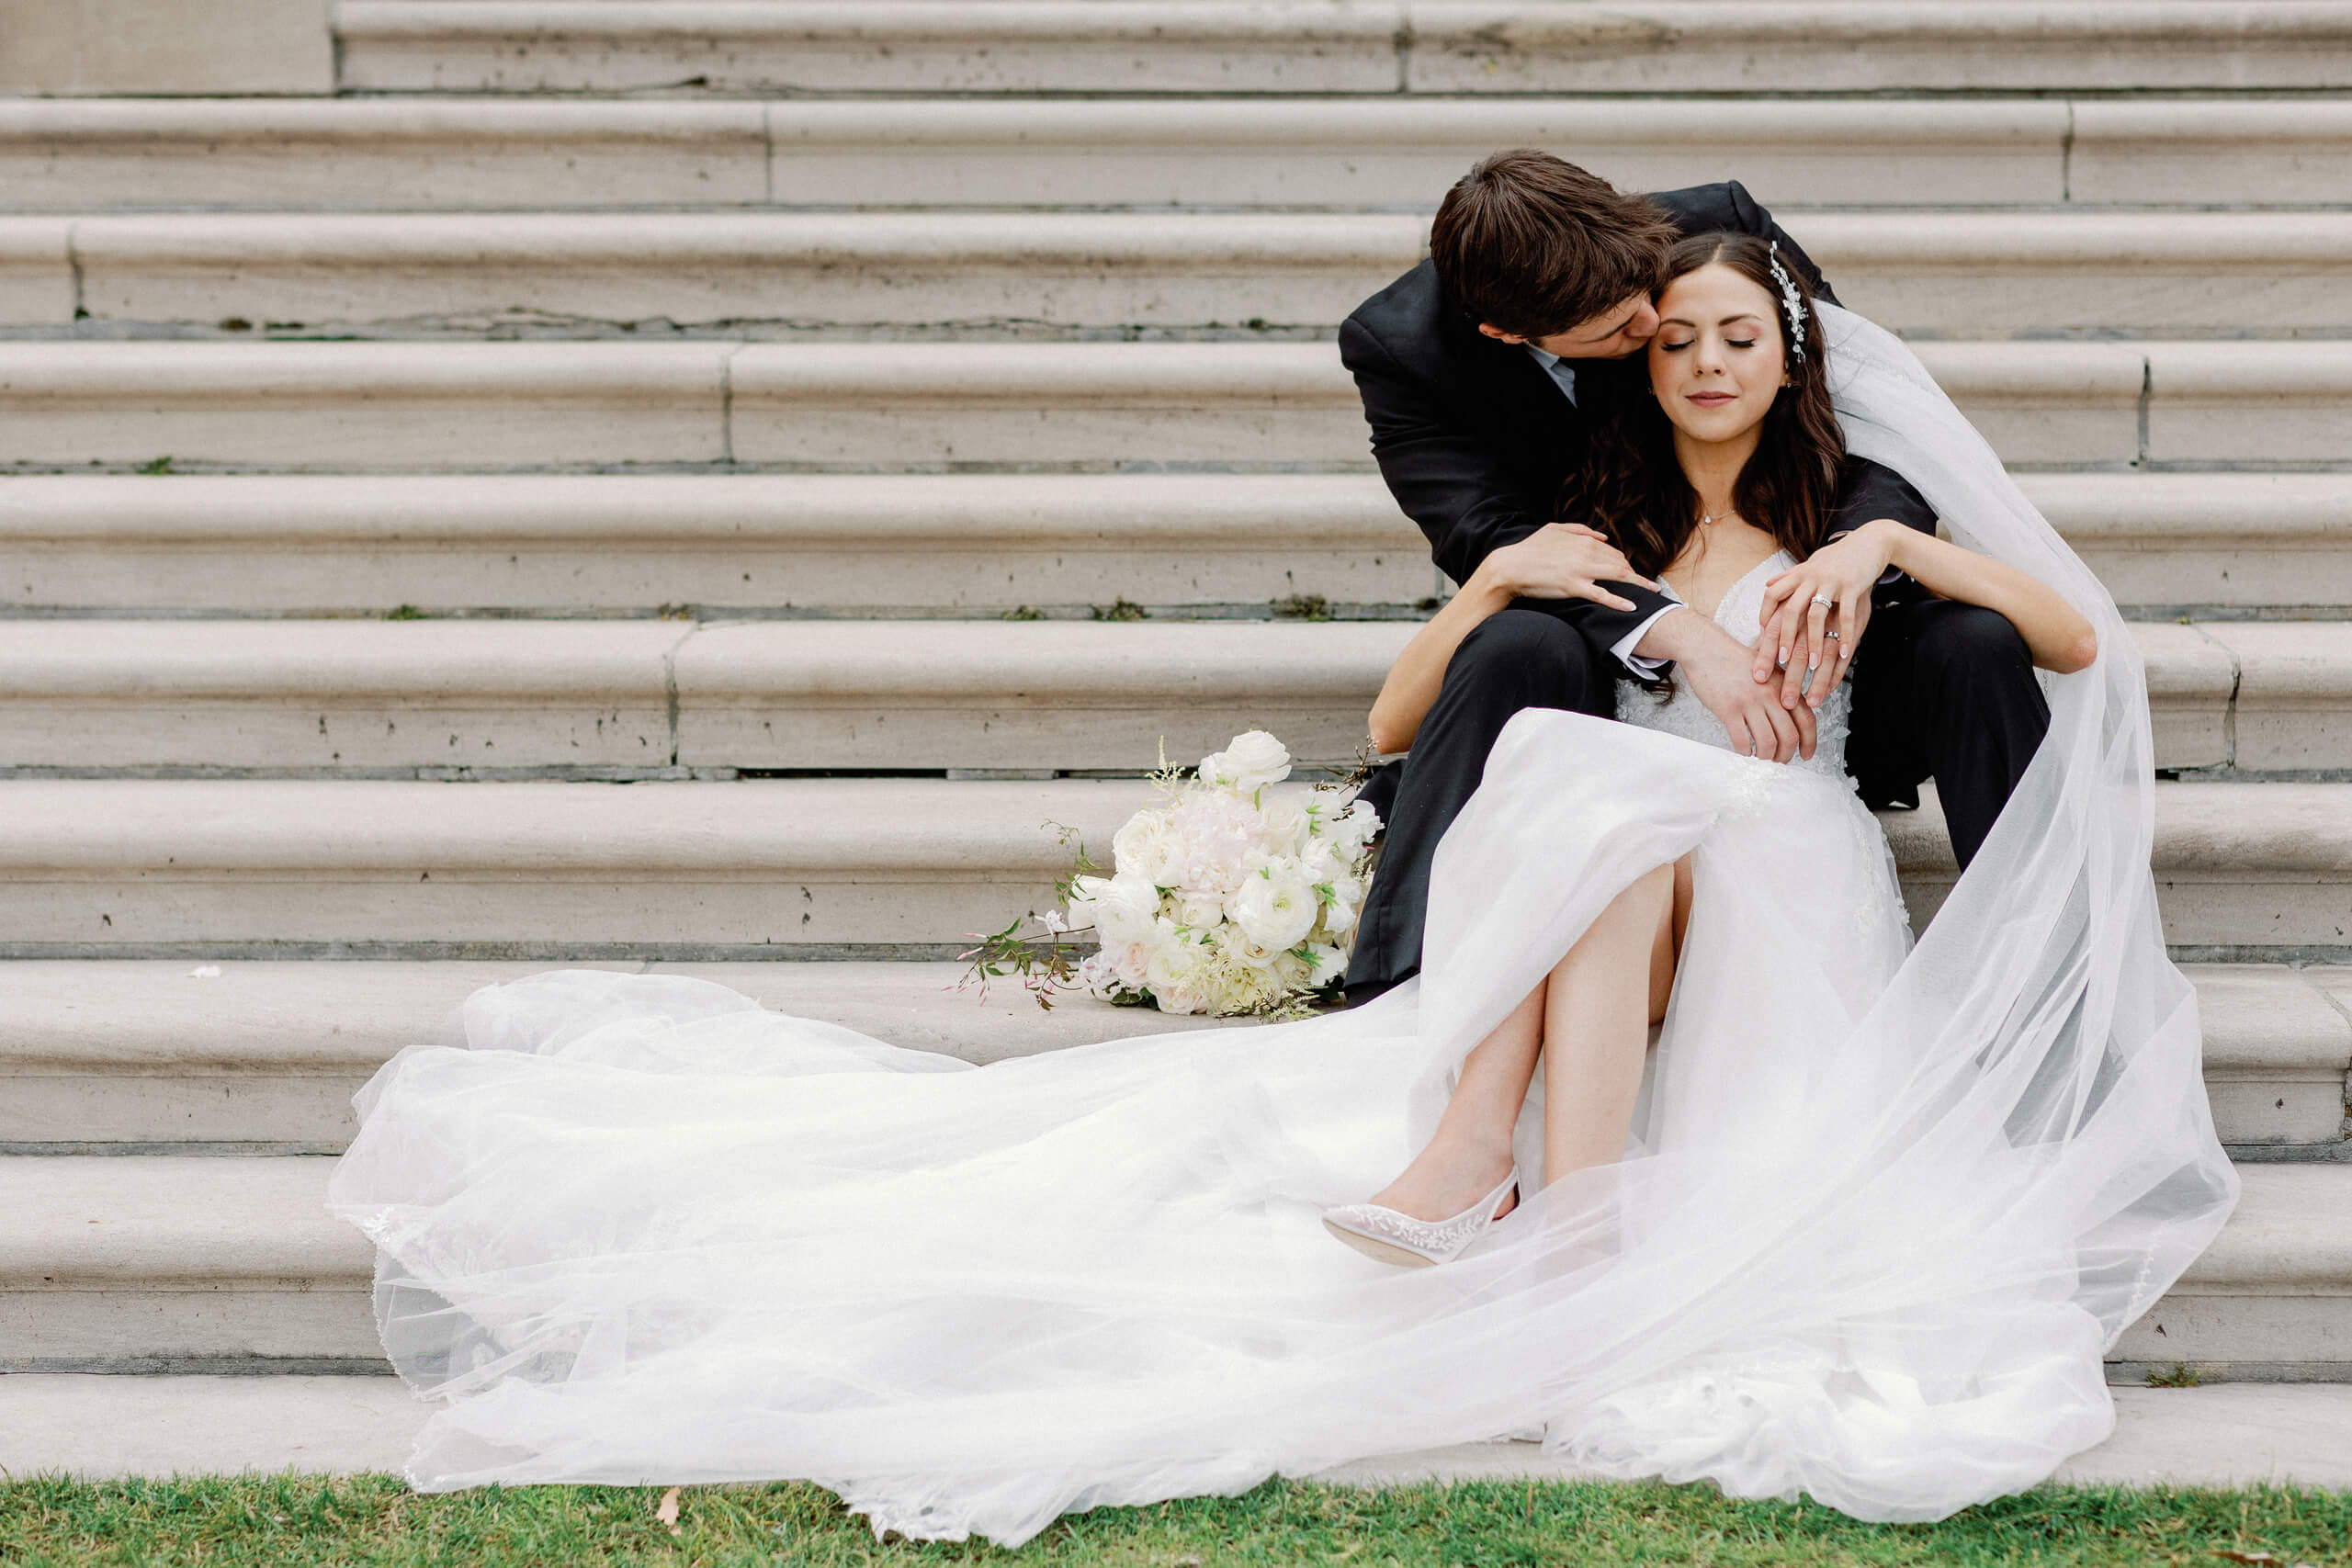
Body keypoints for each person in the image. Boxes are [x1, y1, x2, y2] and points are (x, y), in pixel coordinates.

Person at [329, 219, 2233, 1551]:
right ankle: (1564, 1218)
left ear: (1784, 351)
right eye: (1676, 340)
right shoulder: (1605, 522)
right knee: (1594, 783)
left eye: (1738, 335)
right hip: (1626, 880)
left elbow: (2070, 638)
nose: (1708, 361)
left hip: (1789, 872)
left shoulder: (1848, 511)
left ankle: (1492, 1171)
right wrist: (1494, 583)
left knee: (1611, 801)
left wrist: (1905, 549)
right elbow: (1405, 712)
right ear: (1637, 362)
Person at [1340, 151, 2052, 1006]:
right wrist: (1684, 633)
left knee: (1973, 640)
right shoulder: (1401, 351)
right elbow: (1499, 542)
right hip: (1613, 671)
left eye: (1649, 292)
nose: (1655, 325)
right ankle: (1401, 986)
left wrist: (1857, 549)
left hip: (1818, 661)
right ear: (1508, 333)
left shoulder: (1717, 227)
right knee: (1509, 639)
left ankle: (2049, 986)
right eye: (1623, 333)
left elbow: (1871, 414)